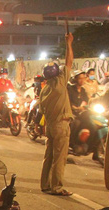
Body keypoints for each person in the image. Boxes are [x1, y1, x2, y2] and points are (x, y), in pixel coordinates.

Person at [39, 32, 74, 196]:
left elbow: (41, 111)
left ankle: (45, 184)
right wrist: (69, 44)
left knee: (49, 156)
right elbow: (69, 61)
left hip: (51, 126)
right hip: (61, 125)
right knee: (59, 158)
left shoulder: (44, 90)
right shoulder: (61, 82)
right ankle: (57, 187)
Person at [68, 70, 99, 160]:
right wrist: (75, 107)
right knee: (76, 123)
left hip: (82, 113)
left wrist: (90, 104)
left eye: (83, 78)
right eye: (79, 78)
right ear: (75, 79)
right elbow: (68, 102)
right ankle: (72, 144)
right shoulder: (70, 89)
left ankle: (89, 145)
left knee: (92, 124)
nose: (81, 80)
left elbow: (87, 101)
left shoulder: (84, 90)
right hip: (72, 113)